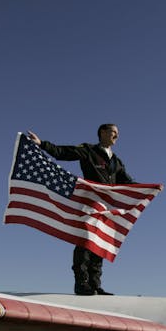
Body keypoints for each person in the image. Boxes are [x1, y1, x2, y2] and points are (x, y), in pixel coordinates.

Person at [27, 124, 134, 296]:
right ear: (103, 133)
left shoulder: (117, 161)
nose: (117, 136)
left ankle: (95, 284)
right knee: (85, 242)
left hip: (106, 208)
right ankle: (81, 283)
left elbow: (128, 182)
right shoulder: (88, 150)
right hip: (89, 203)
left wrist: (149, 188)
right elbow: (64, 152)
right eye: (114, 132)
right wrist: (42, 144)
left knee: (99, 243)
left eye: (117, 133)